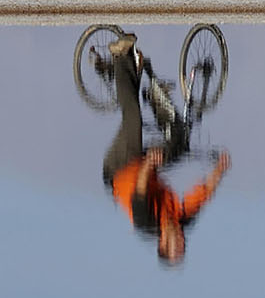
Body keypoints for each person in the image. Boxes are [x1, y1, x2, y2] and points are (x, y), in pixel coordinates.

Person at [97, 30, 231, 265]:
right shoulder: (183, 220)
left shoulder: (145, 222)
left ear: (162, 243)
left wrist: (149, 164)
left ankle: (120, 57)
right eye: (182, 245)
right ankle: (156, 96)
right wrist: (219, 171)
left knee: (134, 120)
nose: (181, 240)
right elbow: (201, 195)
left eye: (175, 245)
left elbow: (140, 188)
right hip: (146, 167)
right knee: (179, 141)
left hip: (121, 169)